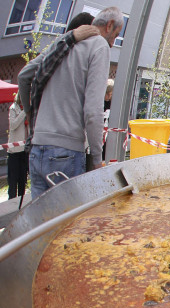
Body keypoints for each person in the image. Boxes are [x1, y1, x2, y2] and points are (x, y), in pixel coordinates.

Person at [19, 8, 119, 198]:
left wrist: (30, 113)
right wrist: (97, 160)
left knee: (43, 223)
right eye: (115, 35)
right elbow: (92, 110)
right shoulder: (98, 46)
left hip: (37, 148)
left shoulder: (58, 46)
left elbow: (24, 76)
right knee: (69, 223)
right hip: (66, 151)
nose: (113, 43)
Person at [6, 95, 27, 200]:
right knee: (13, 184)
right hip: (14, 152)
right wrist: (24, 112)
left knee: (22, 182)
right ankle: (11, 207)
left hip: (24, 151)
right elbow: (13, 125)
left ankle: (21, 206)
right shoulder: (13, 108)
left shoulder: (29, 109)